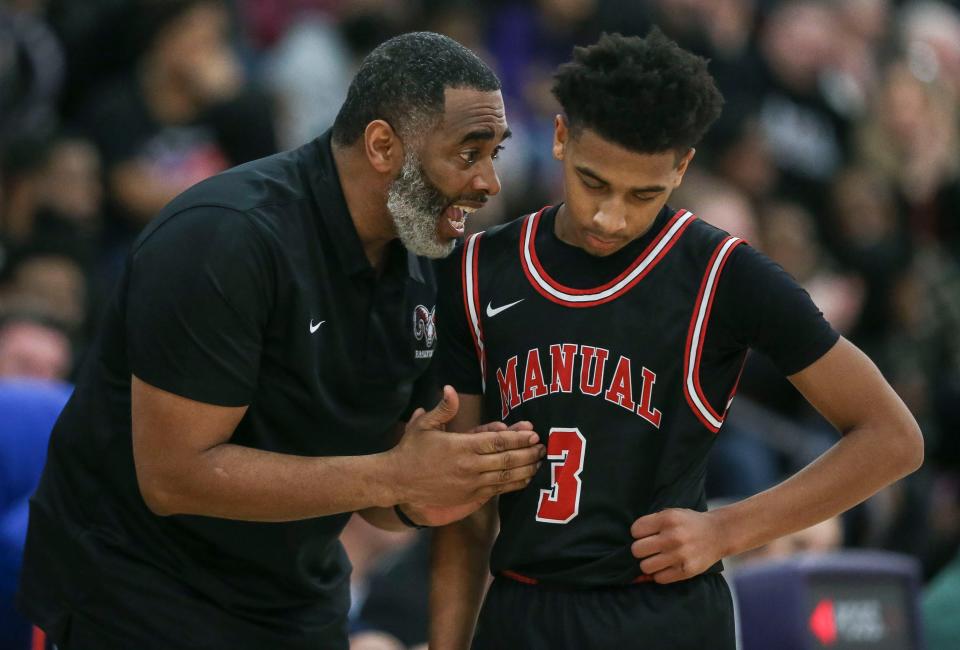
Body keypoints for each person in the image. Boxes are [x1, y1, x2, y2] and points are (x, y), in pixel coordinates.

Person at [17, 32, 545, 650]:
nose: (490, 182)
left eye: (495, 153)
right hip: (137, 598)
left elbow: (377, 483)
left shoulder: (425, 260)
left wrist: (433, 490)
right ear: (382, 146)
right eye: (468, 153)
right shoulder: (227, 238)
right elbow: (174, 476)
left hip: (294, 603)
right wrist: (392, 478)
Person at [429, 31, 923, 650]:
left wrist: (729, 530)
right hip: (522, 608)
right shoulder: (477, 269)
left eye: (644, 195)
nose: (611, 216)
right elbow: (465, 512)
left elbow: (893, 438)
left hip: (661, 616)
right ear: (559, 138)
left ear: (682, 168)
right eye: (593, 182)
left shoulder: (723, 272)